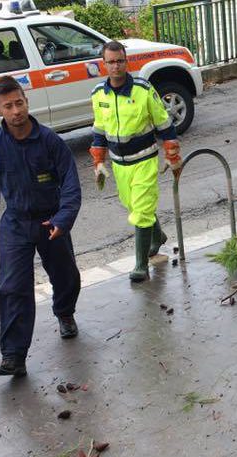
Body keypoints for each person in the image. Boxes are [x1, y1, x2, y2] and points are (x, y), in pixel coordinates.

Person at [0, 76, 82, 377]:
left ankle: (65, 313)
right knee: (12, 288)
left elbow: (72, 186)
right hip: (16, 223)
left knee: (66, 275)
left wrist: (63, 220)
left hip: (51, 221)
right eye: (8, 106)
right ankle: (14, 356)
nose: (15, 111)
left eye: (19, 103)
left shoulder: (49, 141)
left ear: (26, 101)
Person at [88, 41, 182, 283]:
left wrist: (172, 155)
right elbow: (99, 131)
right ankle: (157, 236)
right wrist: (99, 161)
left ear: (125, 61)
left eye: (120, 61)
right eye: (111, 62)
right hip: (120, 165)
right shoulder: (99, 94)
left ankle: (141, 264)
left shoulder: (143, 89)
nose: (116, 66)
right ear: (104, 65)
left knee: (140, 211)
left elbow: (164, 124)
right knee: (134, 206)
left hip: (144, 160)